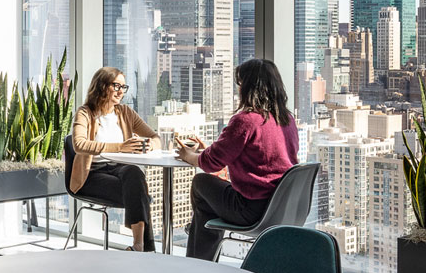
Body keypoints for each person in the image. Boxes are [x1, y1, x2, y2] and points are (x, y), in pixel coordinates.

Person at [174, 59, 298, 260]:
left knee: (201, 183)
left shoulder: (246, 120)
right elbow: (262, 157)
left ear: (248, 87)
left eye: (240, 85)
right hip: (281, 207)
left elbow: (209, 164)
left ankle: (198, 258)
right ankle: (198, 249)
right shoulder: (287, 119)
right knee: (206, 209)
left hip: (251, 210)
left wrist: (189, 156)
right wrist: (209, 151)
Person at [68, 67, 159, 251]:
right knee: (140, 195)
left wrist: (150, 144)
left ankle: (138, 246)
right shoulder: (85, 113)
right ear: (102, 86)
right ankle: (145, 250)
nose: (120, 91)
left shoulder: (125, 112)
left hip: (119, 169)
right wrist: (120, 147)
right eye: (116, 85)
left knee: (134, 174)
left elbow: (155, 137)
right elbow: (79, 144)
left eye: (123, 87)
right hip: (91, 174)